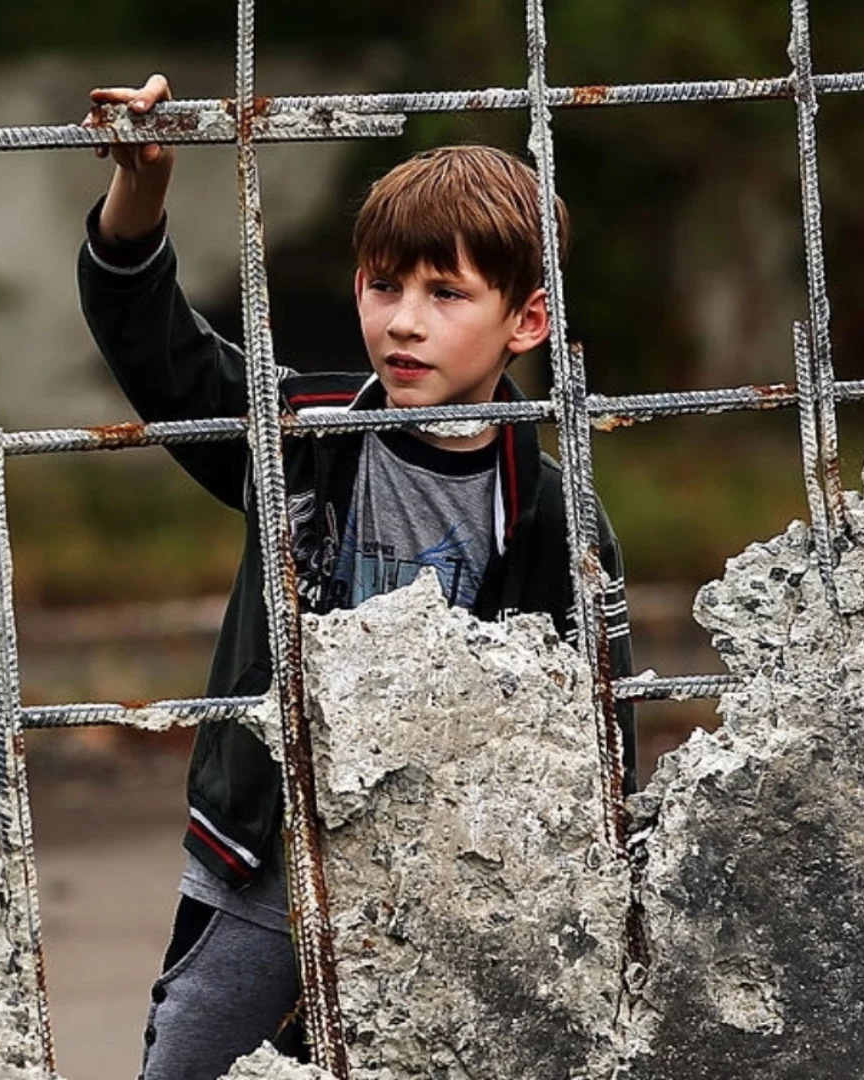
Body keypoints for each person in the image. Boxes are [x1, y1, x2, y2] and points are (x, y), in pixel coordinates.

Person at [78, 74, 637, 1080]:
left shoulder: (557, 515)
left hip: (450, 882)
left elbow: (605, 731)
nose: (406, 322)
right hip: (267, 859)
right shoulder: (303, 435)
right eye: (386, 286)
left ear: (528, 321)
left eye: (446, 294)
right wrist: (143, 189)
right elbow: (150, 343)